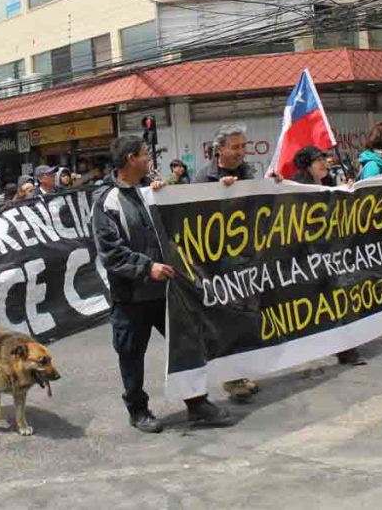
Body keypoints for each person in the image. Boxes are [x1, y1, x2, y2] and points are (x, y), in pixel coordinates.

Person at [93, 135, 232, 433]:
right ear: (131, 159)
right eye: (145, 154)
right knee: (131, 354)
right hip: (131, 295)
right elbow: (110, 252)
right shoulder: (107, 202)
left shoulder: (153, 191)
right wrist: (147, 267)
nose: (150, 160)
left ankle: (197, 403)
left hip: (169, 290)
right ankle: (138, 409)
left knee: (187, 345)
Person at [195, 123, 259, 402]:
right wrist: (220, 198)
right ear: (219, 149)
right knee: (228, 321)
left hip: (248, 259)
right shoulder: (202, 181)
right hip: (219, 265)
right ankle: (232, 379)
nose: (241, 152)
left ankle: (241, 372)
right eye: (235, 147)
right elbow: (194, 222)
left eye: (244, 146)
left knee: (247, 319)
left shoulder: (250, 173)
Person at [292, 146, 369, 366]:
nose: (325, 163)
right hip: (307, 256)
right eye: (319, 160)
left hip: (327, 254)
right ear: (307, 164)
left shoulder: (325, 184)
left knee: (337, 298)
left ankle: (347, 349)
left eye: (325, 158)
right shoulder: (298, 187)